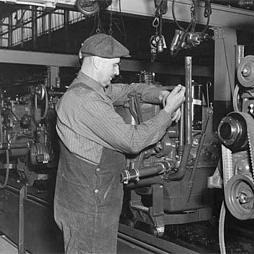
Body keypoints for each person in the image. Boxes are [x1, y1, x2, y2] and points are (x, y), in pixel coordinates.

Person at [54, 33, 185, 254]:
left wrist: (161, 95)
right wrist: (167, 112)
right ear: (96, 62)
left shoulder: (90, 89)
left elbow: (130, 90)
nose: (117, 71)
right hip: (90, 205)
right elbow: (132, 141)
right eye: (114, 65)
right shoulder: (85, 101)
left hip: (85, 199)